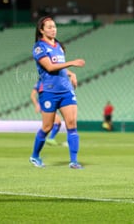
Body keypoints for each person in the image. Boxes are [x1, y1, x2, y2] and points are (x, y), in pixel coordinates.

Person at [30, 16, 85, 169]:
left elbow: (60, 66)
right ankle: (35, 156)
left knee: (72, 124)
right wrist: (73, 62)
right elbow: (51, 67)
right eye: (49, 27)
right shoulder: (39, 48)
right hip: (49, 91)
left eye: (54, 26)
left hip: (65, 90)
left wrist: (71, 73)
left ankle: (74, 161)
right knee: (47, 127)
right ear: (41, 30)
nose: (53, 29)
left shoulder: (58, 45)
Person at [30, 81, 62, 145]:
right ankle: (49, 139)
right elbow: (32, 95)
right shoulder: (40, 83)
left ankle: (48, 138)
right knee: (56, 122)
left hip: (50, 104)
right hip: (45, 104)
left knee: (50, 124)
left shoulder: (52, 81)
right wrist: (36, 105)